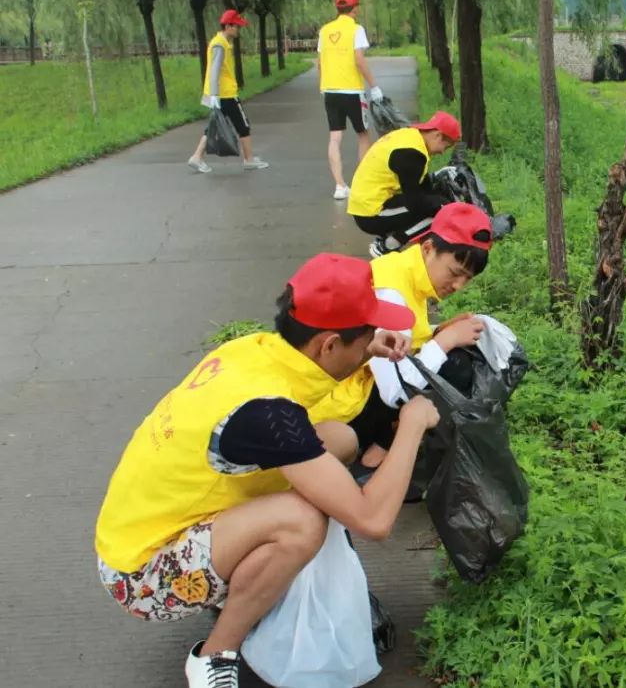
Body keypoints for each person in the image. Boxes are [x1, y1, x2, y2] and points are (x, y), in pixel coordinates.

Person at [94, 253, 439, 688]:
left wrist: (368, 348)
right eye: (366, 333)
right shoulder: (268, 413)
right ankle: (215, 655)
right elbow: (374, 521)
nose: (373, 339)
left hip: (138, 523)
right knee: (303, 522)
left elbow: (319, 398)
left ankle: (248, 585)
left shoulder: (252, 351)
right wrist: (410, 425)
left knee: (339, 439)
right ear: (328, 344)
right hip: (142, 574)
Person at [310, 202, 491, 480]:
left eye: (468, 279)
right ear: (429, 248)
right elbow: (395, 390)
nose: (457, 286)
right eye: (455, 273)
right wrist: (447, 340)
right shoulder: (390, 290)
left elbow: (405, 334)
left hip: (356, 388)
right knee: (454, 365)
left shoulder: (402, 270)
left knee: (452, 354)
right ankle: (375, 455)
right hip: (340, 409)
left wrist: (438, 329)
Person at [347, 110, 461, 257]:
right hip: (370, 212)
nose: (442, 152)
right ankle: (386, 246)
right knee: (439, 212)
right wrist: (446, 207)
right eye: (446, 147)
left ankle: (389, 236)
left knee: (435, 202)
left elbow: (422, 187)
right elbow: (416, 202)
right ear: (437, 135)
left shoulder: (411, 137)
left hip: (368, 202)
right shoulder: (411, 154)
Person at [317, 0, 382, 201]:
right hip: (352, 91)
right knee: (363, 134)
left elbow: (320, 62)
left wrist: (323, 86)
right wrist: (374, 85)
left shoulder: (325, 31)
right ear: (355, 8)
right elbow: (359, 59)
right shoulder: (356, 29)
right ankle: (361, 182)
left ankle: (339, 186)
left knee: (335, 137)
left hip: (330, 91)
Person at [188, 9, 270, 174]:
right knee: (243, 125)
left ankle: (197, 157)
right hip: (225, 95)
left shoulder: (222, 42)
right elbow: (215, 71)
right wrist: (215, 95)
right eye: (236, 26)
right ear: (227, 26)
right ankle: (249, 160)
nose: (238, 30)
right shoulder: (220, 44)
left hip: (222, 94)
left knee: (213, 125)